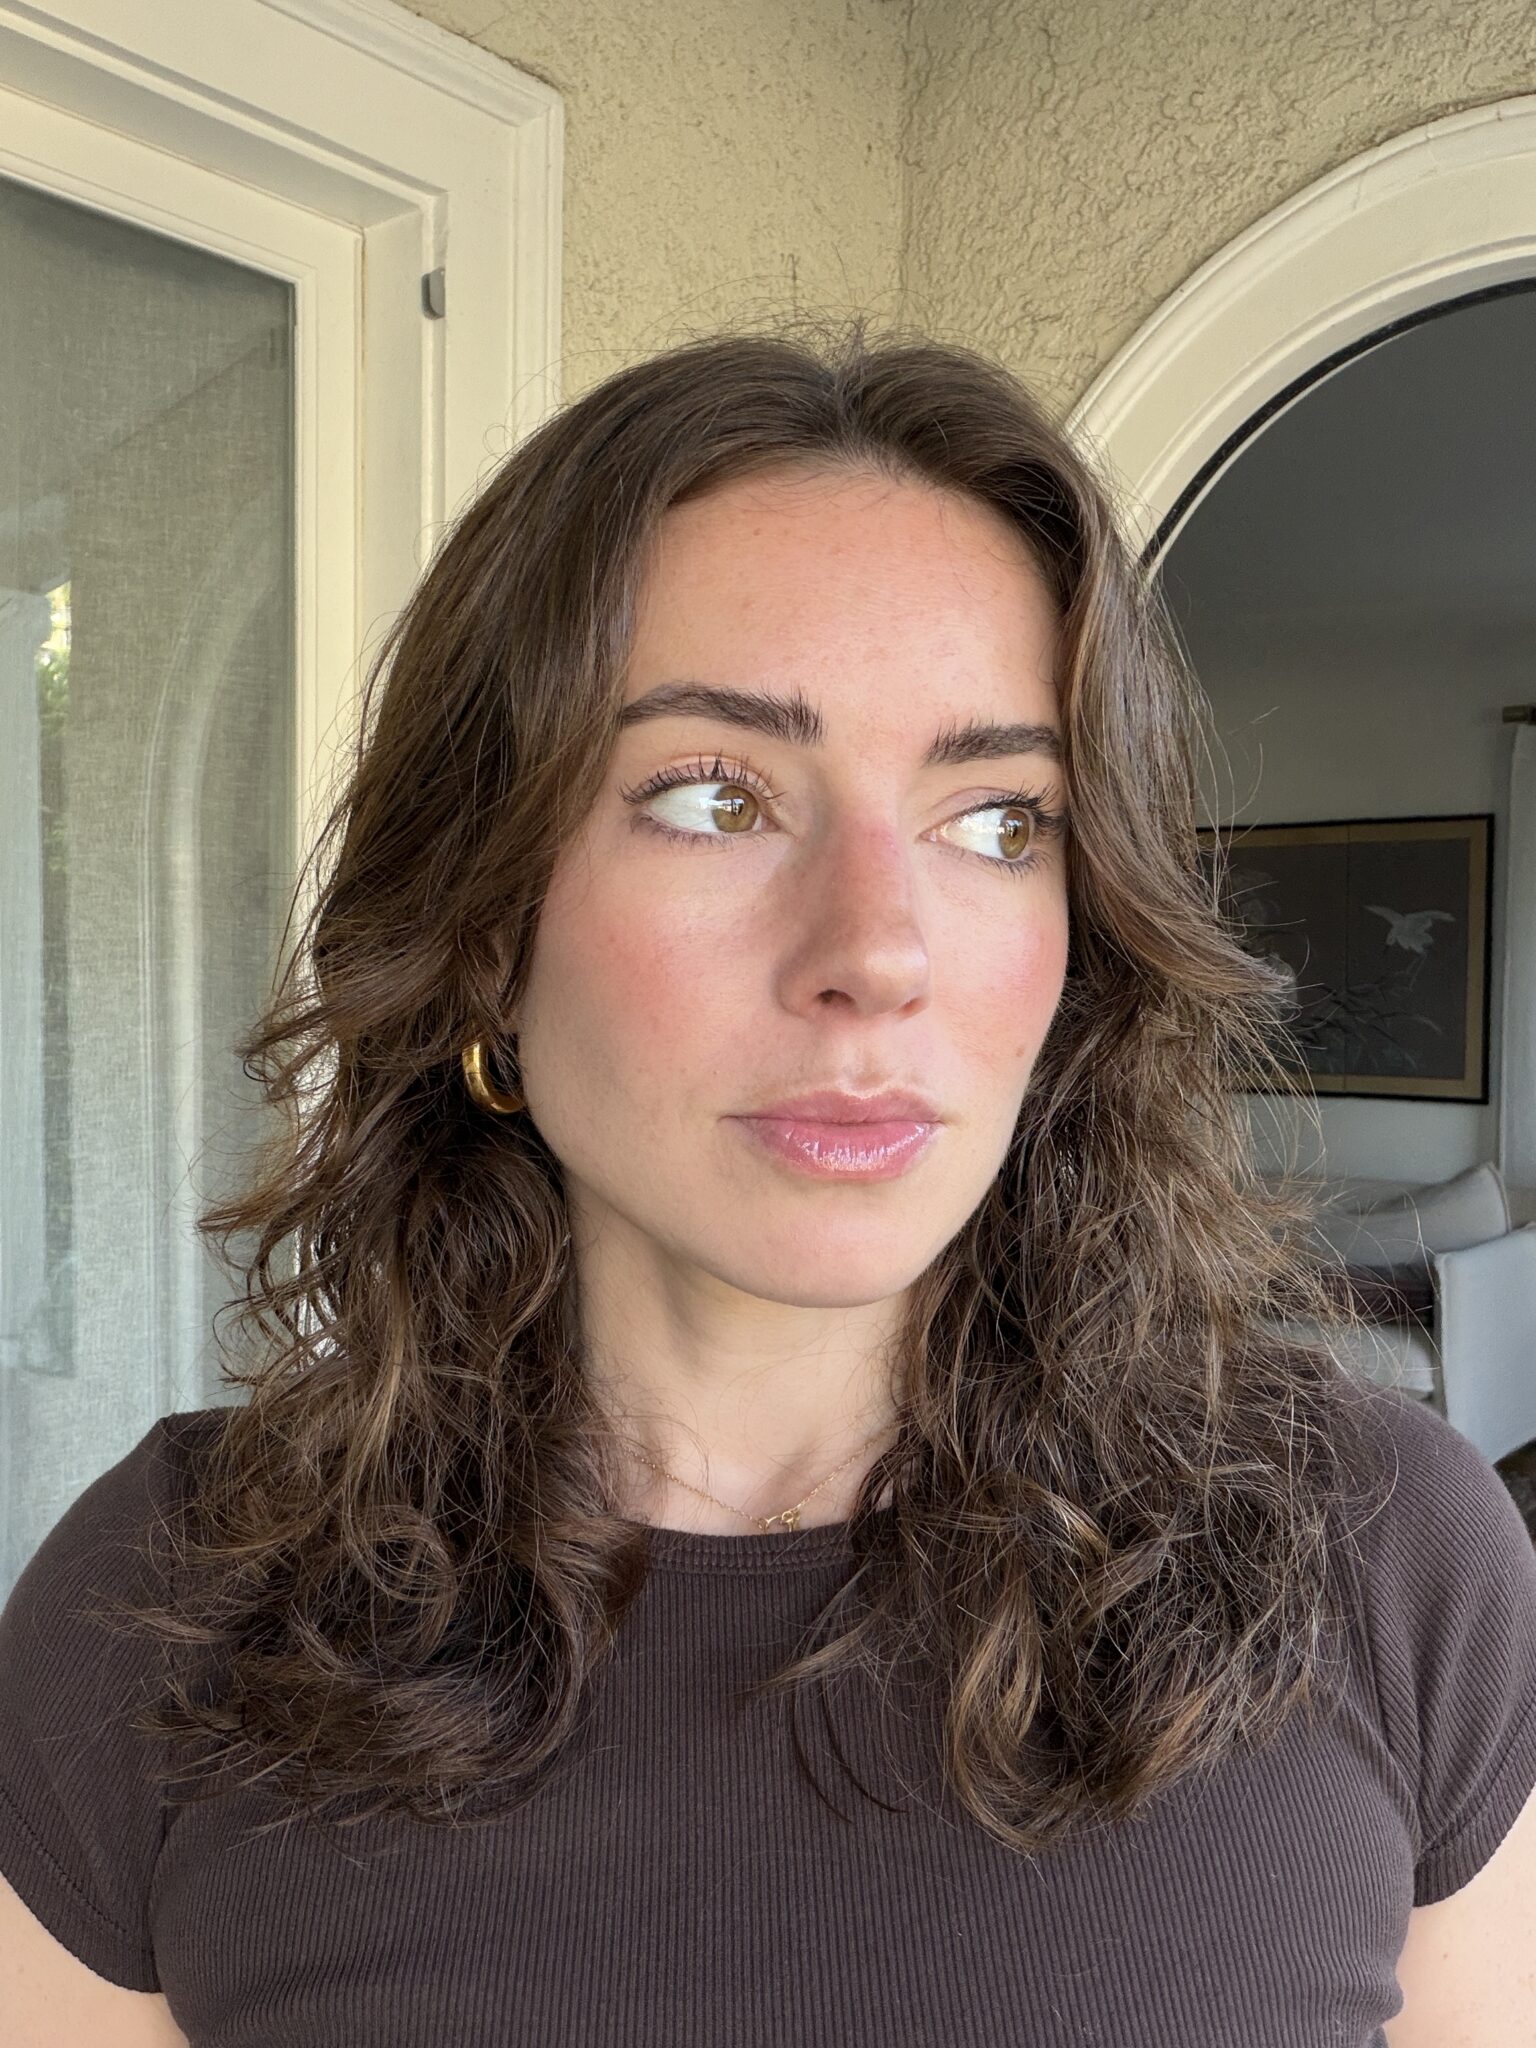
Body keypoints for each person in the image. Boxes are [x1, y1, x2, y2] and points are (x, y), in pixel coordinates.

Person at [1, 316, 1532, 2048]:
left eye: (996, 819)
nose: (878, 953)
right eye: (715, 798)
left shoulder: (1388, 1560)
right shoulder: (160, 1612)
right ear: (486, 929)